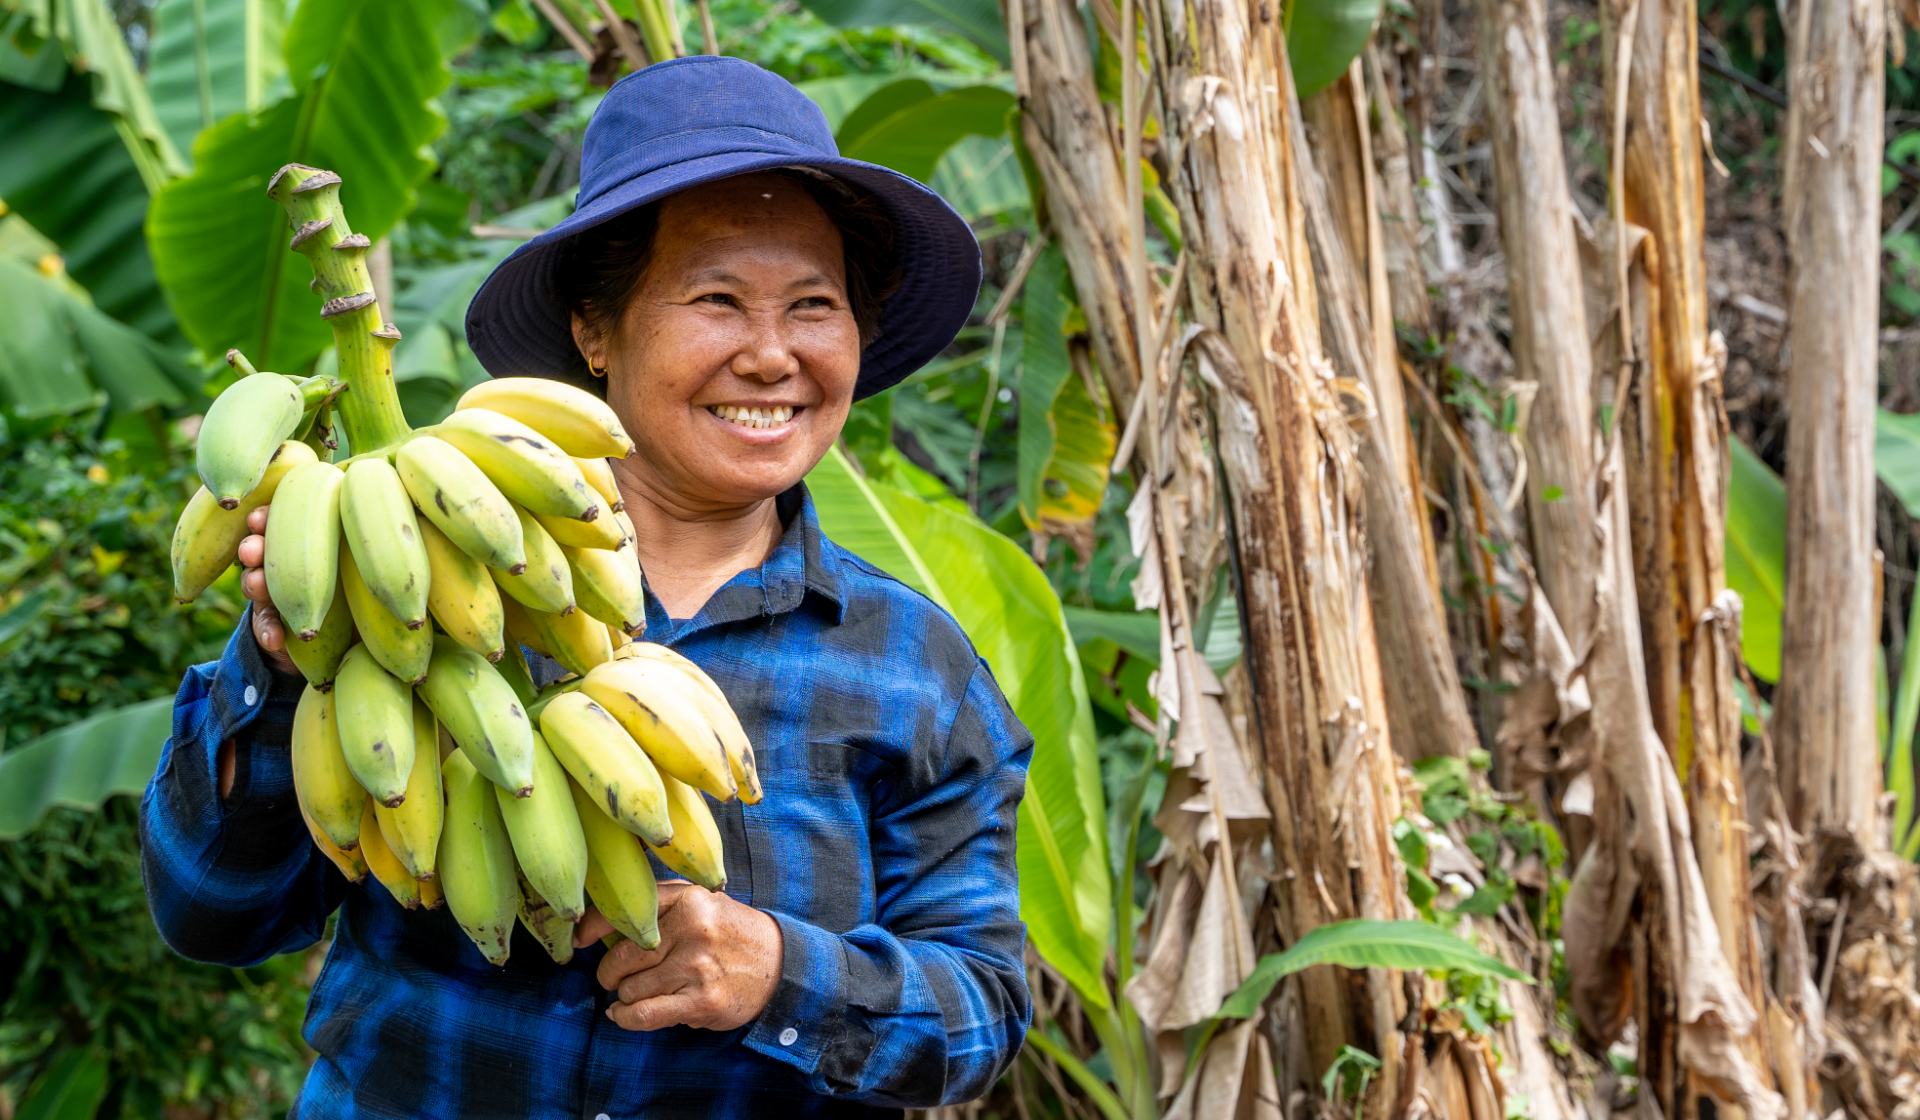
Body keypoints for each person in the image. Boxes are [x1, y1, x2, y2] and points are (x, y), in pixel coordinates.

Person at [140, 56, 1033, 1119]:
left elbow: (979, 1007)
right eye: (717, 299)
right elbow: (211, 913)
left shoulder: (913, 665)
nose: (771, 354)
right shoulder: (427, 586)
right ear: (594, 331)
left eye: (813, 305)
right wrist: (286, 668)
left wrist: (776, 972)